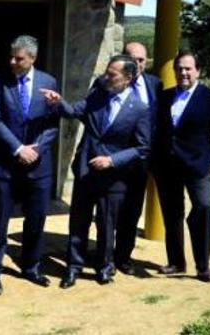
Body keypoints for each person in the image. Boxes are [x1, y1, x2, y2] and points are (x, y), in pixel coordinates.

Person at [42, 54, 150, 287]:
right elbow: (73, 111)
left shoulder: (140, 109)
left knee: (106, 224)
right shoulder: (97, 95)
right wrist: (58, 102)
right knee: (78, 222)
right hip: (86, 171)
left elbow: (142, 147)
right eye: (107, 72)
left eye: (113, 74)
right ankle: (73, 268)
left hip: (114, 178)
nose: (106, 77)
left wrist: (112, 160)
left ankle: (103, 268)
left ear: (128, 78)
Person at [0, 35, 59, 295]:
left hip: (39, 165)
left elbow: (52, 123)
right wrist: (18, 148)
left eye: (19, 58)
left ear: (32, 59)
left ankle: (31, 266)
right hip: (6, 163)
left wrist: (36, 149)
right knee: (0, 218)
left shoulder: (49, 82)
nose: (12, 61)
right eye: (11, 56)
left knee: (36, 218)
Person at [154, 50, 210, 283]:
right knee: (172, 215)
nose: (183, 73)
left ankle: (203, 265)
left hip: (197, 166)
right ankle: (176, 261)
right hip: (167, 166)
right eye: (179, 68)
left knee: (204, 208)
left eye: (188, 68)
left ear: (198, 71)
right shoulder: (165, 96)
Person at [114, 42, 162, 274]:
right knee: (110, 208)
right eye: (133, 59)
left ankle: (122, 256)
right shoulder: (110, 82)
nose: (138, 64)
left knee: (132, 209)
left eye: (142, 60)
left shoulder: (155, 85)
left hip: (140, 160)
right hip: (114, 157)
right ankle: (102, 254)